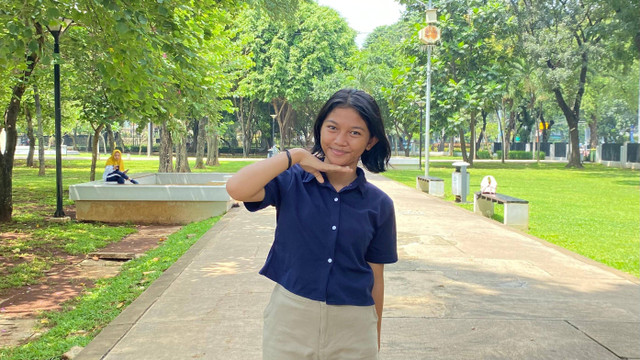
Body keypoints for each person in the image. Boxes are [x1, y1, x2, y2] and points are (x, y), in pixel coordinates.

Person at [226, 89, 397, 359]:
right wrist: (294, 155)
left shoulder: (379, 204)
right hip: (290, 320)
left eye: (354, 132)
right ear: (320, 130)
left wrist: (374, 332)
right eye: (332, 128)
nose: (340, 141)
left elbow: (376, 275)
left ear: (370, 141)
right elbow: (236, 188)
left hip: (353, 326)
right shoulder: (291, 180)